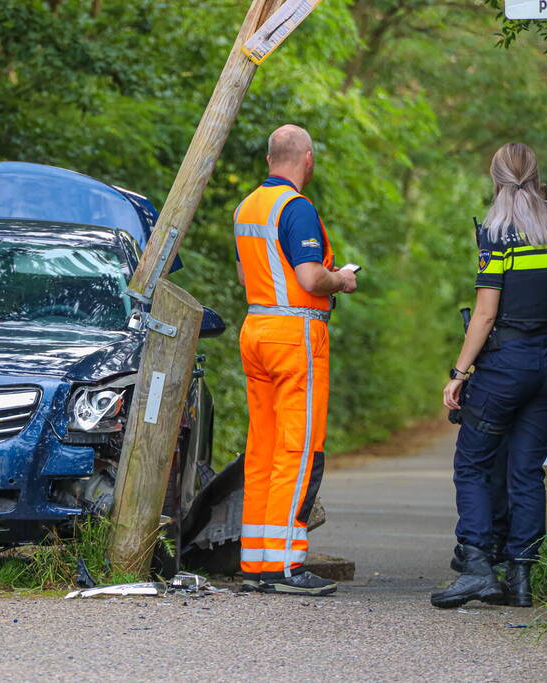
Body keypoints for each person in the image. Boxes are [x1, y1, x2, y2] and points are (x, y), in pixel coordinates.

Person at [432, 142, 547, 609]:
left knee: (473, 463)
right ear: (536, 177)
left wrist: (459, 373)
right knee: (525, 472)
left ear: (495, 179)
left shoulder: (496, 234)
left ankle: (477, 566)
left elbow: (484, 314)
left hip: (506, 366)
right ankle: (520, 579)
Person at [233, 124, 357, 596]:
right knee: (299, 449)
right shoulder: (296, 208)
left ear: (269, 159)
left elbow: (248, 277)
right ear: (306, 159)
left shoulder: (247, 207)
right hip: (296, 334)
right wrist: (341, 279)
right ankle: (285, 566)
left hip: (257, 328)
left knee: (262, 449)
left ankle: (256, 563)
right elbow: (309, 276)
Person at [453, 248, 547, 582]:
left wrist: (542, 340)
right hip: (533, 372)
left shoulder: (544, 248)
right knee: (515, 470)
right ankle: (514, 567)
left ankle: (487, 556)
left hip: (511, 372)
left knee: (485, 465)